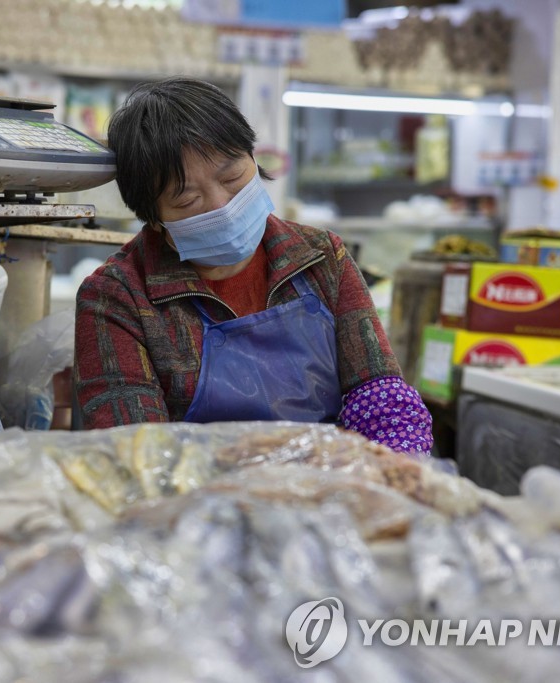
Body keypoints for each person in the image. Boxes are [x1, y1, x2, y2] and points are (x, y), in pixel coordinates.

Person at [73, 77, 432, 456]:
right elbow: (139, 453)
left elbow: (378, 394)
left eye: (232, 177)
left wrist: (395, 470)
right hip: (199, 502)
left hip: (330, 492)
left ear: (253, 158)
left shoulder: (322, 257)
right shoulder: (116, 298)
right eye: (189, 200)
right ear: (154, 218)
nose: (221, 205)